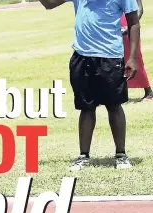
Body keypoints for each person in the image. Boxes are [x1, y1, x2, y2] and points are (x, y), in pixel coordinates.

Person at [38, 0, 140, 171]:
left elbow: (134, 22)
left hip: (110, 56)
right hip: (82, 56)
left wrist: (133, 57)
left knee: (114, 105)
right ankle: (83, 155)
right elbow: (49, 4)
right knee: (86, 107)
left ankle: (121, 154)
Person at [121, 0, 152, 101]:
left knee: (134, 57)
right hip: (114, 24)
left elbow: (140, 9)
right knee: (117, 59)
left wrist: (129, 27)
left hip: (129, 24)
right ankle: (119, 91)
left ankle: (148, 91)